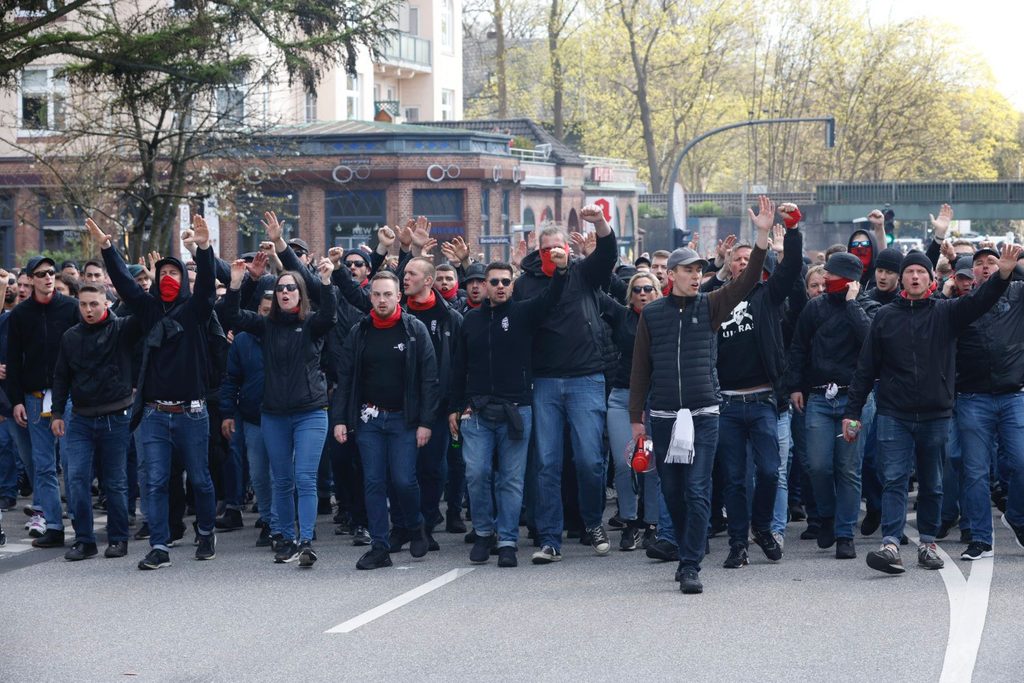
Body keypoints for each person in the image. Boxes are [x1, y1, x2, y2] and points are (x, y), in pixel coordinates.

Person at [843, 245, 1022, 575]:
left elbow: (981, 300)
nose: (914, 276)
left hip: (936, 413)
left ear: (930, 280)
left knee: (933, 482)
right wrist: (852, 412)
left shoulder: (947, 312)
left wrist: (1003, 274)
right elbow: (866, 367)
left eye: (921, 272)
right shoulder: (884, 317)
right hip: (893, 413)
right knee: (894, 478)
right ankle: (891, 545)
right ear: (901, 280)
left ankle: (927, 543)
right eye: (909, 271)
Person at [629, 195, 775, 594]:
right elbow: (640, 367)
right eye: (688, 271)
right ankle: (681, 543)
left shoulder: (711, 305)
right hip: (662, 415)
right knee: (672, 491)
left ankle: (691, 564)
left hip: (704, 414)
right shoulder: (653, 314)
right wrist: (636, 418)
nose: (696, 276)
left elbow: (746, 282)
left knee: (697, 489)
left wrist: (761, 237)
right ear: (670, 274)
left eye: (699, 270)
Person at [90, 215, 220, 570]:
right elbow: (125, 285)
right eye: (162, 273)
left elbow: (208, 287)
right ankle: (160, 545)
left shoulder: (194, 311)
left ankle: (206, 531)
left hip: (192, 414)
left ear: (182, 281)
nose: (167, 277)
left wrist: (205, 250)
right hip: (153, 414)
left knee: (199, 479)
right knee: (155, 482)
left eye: (174, 273)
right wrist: (108, 249)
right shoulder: (147, 312)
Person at [513, 205, 617, 564]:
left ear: (569, 250)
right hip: (544, 380)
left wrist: (601, 223)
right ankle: (549, 538)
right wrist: (555, 274)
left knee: (589, 460)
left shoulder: (583, 274)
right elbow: (538, 312)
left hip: (586, 377)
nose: (555, 253)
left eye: (560, 249)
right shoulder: (525, 283)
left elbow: (607, 256)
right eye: (547, 249)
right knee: (547, 463)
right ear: (537, 251)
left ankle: (592, 523)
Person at [449, 252, 568, 566]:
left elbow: (552, 296)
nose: (500, 286)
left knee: (512, 480)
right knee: (475, 474)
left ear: (513, 285)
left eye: (506, 281)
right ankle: (484, 532)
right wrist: (456, 406)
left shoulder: (524, 313)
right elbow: (458, 366)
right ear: (484, 286)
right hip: (476, 412)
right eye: (494, 282)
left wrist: (562, 269)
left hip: (517, 410)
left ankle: (507, 541)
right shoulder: (470, 320)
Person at [702, 208, 804, 568]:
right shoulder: (713, 299)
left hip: (763, 400)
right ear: (728, 265)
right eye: (737, 259)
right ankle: (737, 545)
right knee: (733, 479)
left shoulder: (767, 294)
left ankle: (762, 528)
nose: (743, 263)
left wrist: (789, 233)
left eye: (749, 259)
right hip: (726, 404)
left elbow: (791, 269)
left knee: (769, 471)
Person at [223, 256, 337, 567]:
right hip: (273, 414)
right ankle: (285, 538)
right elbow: (230, 314)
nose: (285, 292)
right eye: (280, 289)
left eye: (291, 288)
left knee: (304, 477)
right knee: (282, 480)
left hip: (310, 412)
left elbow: (330, 314)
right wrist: (236, 283)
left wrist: (326, 282)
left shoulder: (312, 324)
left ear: (300, 293)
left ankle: (306, 540)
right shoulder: (265, 326)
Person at [333, 271, 439, 570]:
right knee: (373, 482)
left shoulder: (414, 330)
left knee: (404, 480)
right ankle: (380, 547)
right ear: (370, 297)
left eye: (387, 294)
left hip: (404, 421)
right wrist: (340, 419)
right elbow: (346, 378)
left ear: (398, 297)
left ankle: (414, 524)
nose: (382, 300)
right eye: (377, 294)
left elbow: (430, 380)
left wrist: (426, 422)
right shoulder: (360, 331)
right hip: (369, 420)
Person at [786, 253, 879, 559]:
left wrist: (852, 304)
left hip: (854, 399)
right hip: (818, 398)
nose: (826, 280)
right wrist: (796, 386)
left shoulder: (864, 307)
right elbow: (799, 347)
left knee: (849, 469)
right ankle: (825, 516)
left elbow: (870, 343)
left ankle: (844, 533)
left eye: (832, 275)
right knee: (818, 464)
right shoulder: (815, 307)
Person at [50, 283, 144, 561]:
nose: (88, 310)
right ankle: (84, 540)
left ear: (106, 303)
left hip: (116, 416)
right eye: (83, 304)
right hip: (80, 418)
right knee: (76, 479)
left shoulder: (123, 328)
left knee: (114, 482)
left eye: (94, 304)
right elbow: (61, 377)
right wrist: (56, 414)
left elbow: (145, 310)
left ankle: (117, 539)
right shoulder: (70, 337)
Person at [954, 247, 1024, 560]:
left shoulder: (1019, 294)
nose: (985, 268)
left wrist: (1014, 269)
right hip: (972, 398)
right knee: (975, 472)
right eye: (979, 264)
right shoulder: (962, 304)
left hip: (1013, 395)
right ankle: (981, 538)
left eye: (991, 263)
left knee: (1021, 463)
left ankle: (1017, 516)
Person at [6, 255, 81, 548]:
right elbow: (12, 359)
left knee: (73, 462)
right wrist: (16, 401)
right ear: (31, 278)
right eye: (41, 274)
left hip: (69, 395)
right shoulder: (21, 315)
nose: (48, 277)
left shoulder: (71, 308)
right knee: (43, 464)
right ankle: (53, 525)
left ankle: (80, 523)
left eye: (51, 272)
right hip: (34, 397)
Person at [604, 271, 663, 550]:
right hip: (621, 398)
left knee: (650, 465)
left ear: (658, 291)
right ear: (630, 295)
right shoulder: (620, 316)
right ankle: (629, 521)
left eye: (648, 288)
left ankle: (651, 523)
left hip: (655, 400)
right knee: (624, 463)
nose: (642, 293)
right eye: (637, 289)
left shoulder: (667, 316)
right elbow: (595, 287)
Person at [219, 292, 274, 547]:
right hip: (253, 417)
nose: (268, 315)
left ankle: (282, 521)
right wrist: (228, 413)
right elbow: (231, 379)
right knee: (260, 473)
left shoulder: (291, 335)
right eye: (263, 310)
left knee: (283, 474)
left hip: (285, 415)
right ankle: (267, 518)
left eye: (272, 310)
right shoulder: (242, 341)